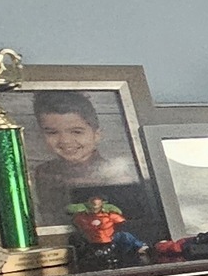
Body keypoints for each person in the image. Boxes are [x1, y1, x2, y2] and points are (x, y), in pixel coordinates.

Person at [28, 92, 136, 224]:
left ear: (96, 135)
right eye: (52, 133)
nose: (65, 141)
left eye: (76, 132)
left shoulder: (115, 175)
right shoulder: (44, 172)